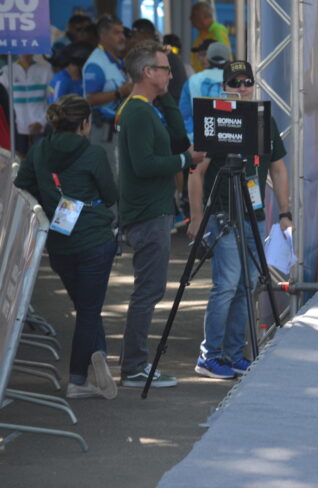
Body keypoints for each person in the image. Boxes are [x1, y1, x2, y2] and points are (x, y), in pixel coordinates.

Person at [186, 60, 293, 378]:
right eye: (236, 83)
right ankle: (210, 355)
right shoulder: (215, 118)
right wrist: (195, 217)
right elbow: (196, 171)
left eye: (248, 82)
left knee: (247, 284)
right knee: (227, 284)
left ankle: (234, 353)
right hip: (223, 214)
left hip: (254, 215)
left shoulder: (263, 119)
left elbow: (278, 167)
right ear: (225, 87)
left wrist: (285, 213)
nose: (243, 88)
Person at [14, 94, 118, 399]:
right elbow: (111, 195)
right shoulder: (94, 154)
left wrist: (50, 202)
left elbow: (22, 184)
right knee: (89, 310)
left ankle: (97, 355)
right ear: (85, 124)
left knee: (85, 306)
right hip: (95, 240)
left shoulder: (39, 150)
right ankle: (77, 380)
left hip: (59, 243)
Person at [116, 40, 204, 387]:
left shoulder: (147, 108)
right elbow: (145, 164)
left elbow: (179, 140)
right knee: (148, 291)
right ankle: (134, 367)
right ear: (147, 72)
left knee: (149, 290)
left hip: (154, 212)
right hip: (147, 213)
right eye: (165, 69)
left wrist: (165, 95)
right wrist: (185, 162)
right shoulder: (136, 112)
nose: (172, 74)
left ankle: (133, 363)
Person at [83, 15, 133, 173]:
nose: (122, 37)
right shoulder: (96, 63)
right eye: (116, 33)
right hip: (103, 130)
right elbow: (89, 99)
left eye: (123, 33)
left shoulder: (117, 61)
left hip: (119, 128)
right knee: (110, 176)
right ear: (103, 36)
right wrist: (120, 92)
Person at [0, 54, 52, 157]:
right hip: (15, 127)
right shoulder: (6, 72)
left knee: (40, 159)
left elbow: (51, 101)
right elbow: (5, 104)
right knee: (18, 162)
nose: (26, 54)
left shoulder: (46, 71)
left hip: (40, 126)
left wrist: (42, 121)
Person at [128, 19, 187, 104]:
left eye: (134, 36)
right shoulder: (162, 55)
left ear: (145, 35)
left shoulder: (162, 57)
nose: (131, 41)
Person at [179, 40, 229, 141]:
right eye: (200, 55)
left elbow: (184, 115)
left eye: (203, 55)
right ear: (227, 59)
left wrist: (193, 138)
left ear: (208, 58)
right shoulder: (237, 81)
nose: (201, 59)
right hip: (230, 141)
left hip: (200, 143)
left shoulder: (192, 81)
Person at [189, 2, 231, 73]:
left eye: (194, 15)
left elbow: (224, 56)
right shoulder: (203, 32)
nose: (190, 19)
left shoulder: (217, 31)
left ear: (205, 16)